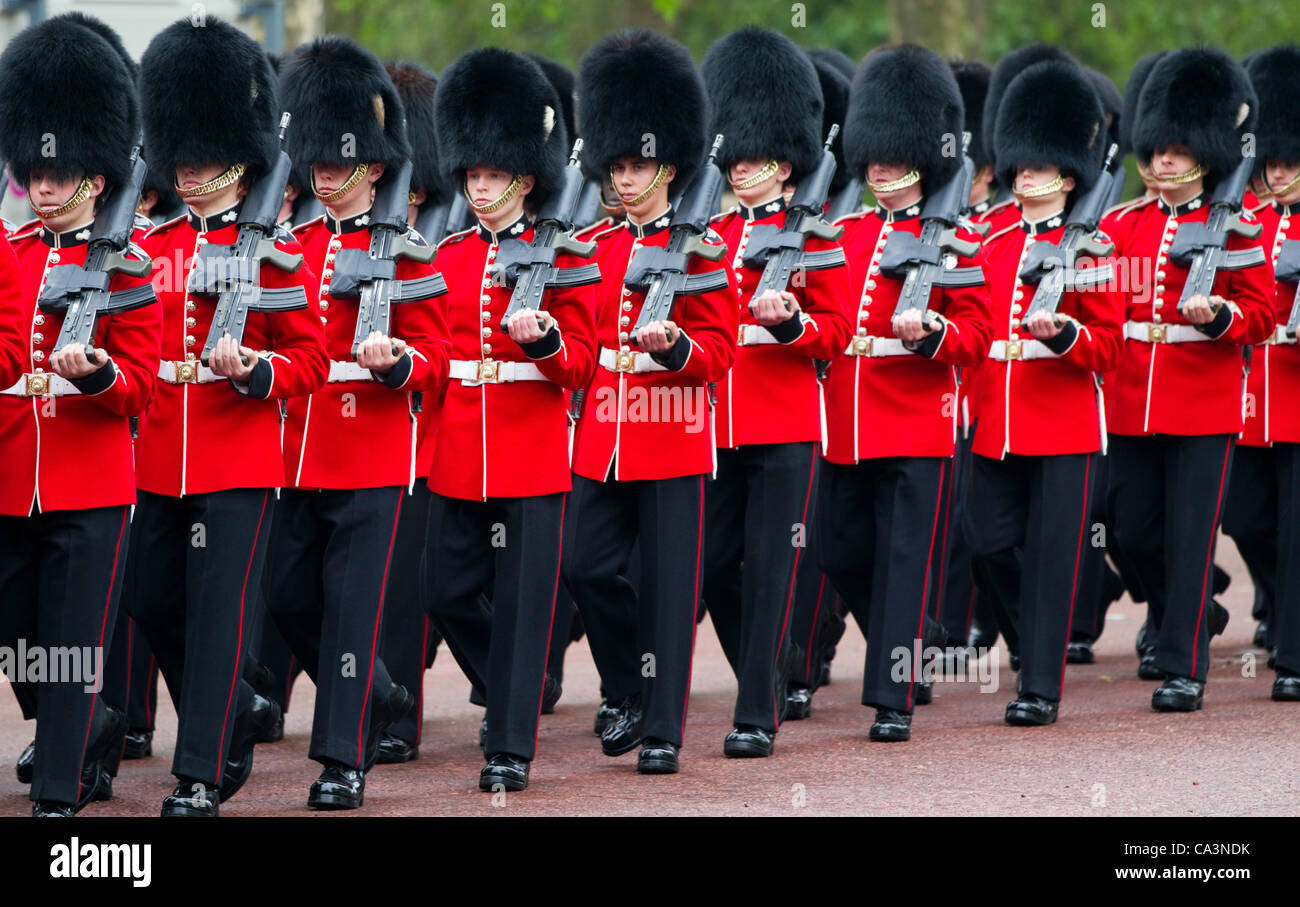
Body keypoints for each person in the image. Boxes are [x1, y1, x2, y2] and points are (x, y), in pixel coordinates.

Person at [127, 17, 329, 816]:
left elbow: (309, 359)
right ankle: (236, 706)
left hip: (238, 453)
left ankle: (204, 770)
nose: (188, 167)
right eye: (181, 151)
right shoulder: (149, 241)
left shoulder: (275, 246)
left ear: (239, 160)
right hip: (160, 454)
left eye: (204, 156)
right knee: (148, 595)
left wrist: (257, 371)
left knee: (218, 614)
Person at [268, 36, 448, 810]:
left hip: (373, 449)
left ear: (375, 167)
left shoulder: (406, 253)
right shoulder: (287, 249)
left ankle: (343, 759)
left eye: (342, 163)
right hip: (299, 450)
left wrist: (398, 361)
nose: (326, 174)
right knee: (284, 596)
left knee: (349, 610)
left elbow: (436, 354)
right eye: (318, 161)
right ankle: (378, 691)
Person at [564, 28, 737, 774]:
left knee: (671, 587)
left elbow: (721, 352)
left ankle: (662, 725)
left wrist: (675, 351)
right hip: (603, 430)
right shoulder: (595, 247)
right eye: (617, 166)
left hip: (671, 428)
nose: (625, 179)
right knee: (585, 563)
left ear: (669, 167)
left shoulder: (704, 249)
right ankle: (626, 684)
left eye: (638, 166)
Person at [0, 14, 161, 817]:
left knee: (69, 646)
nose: (42, 183)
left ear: (95, 177)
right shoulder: (12, 252)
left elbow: (142, 384)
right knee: (18, 639)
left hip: (90, 481)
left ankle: (57, 793)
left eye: (58, 173)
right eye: (33, 169)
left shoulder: (129, 268)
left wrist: (97, 375)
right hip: (10, 476)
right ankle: (85, 724)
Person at [426, 47, 597, 791]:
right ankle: (517, 679)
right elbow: (433, 349)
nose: (479, 186)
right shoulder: (449, 253)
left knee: (528, 602)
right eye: (471, 175)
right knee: (445, 589)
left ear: (524, 179)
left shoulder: (565, 256)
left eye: (492, 175)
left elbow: (584, 361)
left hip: (529, 445)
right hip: (459, 445)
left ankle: (510, 744)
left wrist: (550, 341)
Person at [820, 44, 992, 742]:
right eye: (874, 155)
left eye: (893, 155)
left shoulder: (957, 239)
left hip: (917, 417)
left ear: (923, 156)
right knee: (836, 547)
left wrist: (933, 335)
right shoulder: (848, 233)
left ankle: (893, 696)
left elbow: (976, 334)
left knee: (902, 557)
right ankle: (912, 632)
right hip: (848, 419)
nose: (879, 166)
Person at [698, 26, 852, 756]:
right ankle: (772, 662)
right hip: (715, 420)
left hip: (786, 420)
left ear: (787, 164)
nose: (743, 166)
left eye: (757, 156)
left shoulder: (816, 237)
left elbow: (837, 332)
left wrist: (792, 323)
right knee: (708, 566)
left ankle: (754, 710)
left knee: (770, 566)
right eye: (738, 153)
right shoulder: (708, 233)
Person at [1106, 46, 1273, 712]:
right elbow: (1104, 301)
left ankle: (1183, 666)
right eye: (1157, 149)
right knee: (1132, 531)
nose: (1164, 160)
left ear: (1206, 151)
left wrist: (1221, 317)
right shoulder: (1121, 226)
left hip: (1202, 399)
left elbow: (1259, 314)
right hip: (1131, 399)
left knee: (1188, 532)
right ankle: (1190, 609)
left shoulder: (1240, 227)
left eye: (1179, 149)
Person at [965, 58, 1123, 725]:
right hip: (997, 418)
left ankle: (1040, 685)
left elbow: (1108, 349)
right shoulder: (990, 240)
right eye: (1018, 165)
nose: (1024, 175)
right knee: (987, 542)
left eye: (1037, 167)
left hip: (1063, 419)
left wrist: (1063, 339)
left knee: (1055, 556)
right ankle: (1034, 644)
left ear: (1065, 173)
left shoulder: (1096, 247)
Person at [1240, 46, 1300, 701]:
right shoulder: (1245, 224)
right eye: (1272, 163)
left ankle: (1294, 654)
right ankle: (1282, 599)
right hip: (1253, 393)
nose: (1278, 173)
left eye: (1290, 162)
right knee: (1245, 516)